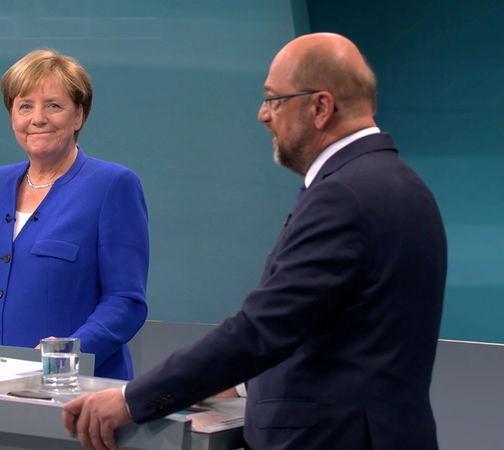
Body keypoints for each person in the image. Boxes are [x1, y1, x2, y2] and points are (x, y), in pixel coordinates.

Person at [62, 32, 447, 449]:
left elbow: (264, 328)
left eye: (274, 99)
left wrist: (131, 400)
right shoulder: (404, 186)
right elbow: (339, 333)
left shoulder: (343, 195)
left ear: (320, 106)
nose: (263, 115)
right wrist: (243, 385)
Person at [0, 49, 149, 380]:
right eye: (25, 106)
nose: (38, 118)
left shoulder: (113, 185)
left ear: (79, 116)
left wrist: (68, 352)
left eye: (54, 105)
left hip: (70, 389)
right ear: (12, 116)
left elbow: (125, 303)